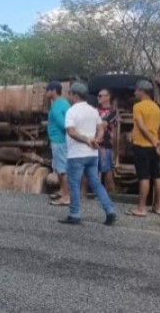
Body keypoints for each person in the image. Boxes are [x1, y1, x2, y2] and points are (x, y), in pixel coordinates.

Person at [58, 82, 116, 226]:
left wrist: (86, 141)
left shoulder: (72, 111)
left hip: (76, 154)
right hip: (92, 154)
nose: (69, 96)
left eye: (70, 93)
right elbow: (101, 127)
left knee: (74, 184)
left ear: (75, 95)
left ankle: (74, 214)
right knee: (96, 183)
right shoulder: (93, 110)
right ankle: (110, 210)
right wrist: (97, 139)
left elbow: (71, 132)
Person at [126, 80, 160, 217]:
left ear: (142, 91)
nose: (135, 92)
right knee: (157, 176)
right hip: (154, 148)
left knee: (144, 177)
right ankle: (159, 207)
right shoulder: (157, 108)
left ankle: (141, 208)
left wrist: (153, 140)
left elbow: (142, 127)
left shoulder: (138, 107)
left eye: (136, 90)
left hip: (142, 146)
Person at [45, 81, 72, 206]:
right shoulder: (65, 103)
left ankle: (66, 197)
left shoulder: (56, 106)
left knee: (61, 170)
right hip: (61, 140)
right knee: (59, 167)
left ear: (54, 91)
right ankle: (62, 191)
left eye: (48, 90)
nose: (46, 93)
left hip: (59, 141)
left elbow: (63, 124)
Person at [97, 88, 117, 194]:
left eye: (100, 96)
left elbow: (103, 124)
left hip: (105, 145)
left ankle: (112, 193)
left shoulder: (112, 112)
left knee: (106, 170)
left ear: (108, 97)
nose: (98, 98)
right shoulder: (97, 111)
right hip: (95, 144)